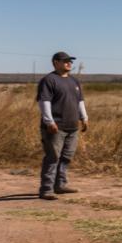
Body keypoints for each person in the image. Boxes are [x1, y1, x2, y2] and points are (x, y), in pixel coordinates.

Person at [36, 51, 88, 200]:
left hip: (72, 126)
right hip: (56, 127)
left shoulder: (74, 81)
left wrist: (84, 117)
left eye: (70, 61)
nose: (69, 63)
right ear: (55, 62)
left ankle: (60, 185)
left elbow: (80, 101)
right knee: (53, 157)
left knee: (66, 157)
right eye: (65, 61)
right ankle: (46, 189)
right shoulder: (49, 80)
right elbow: (44, 101)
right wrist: (49, 121)